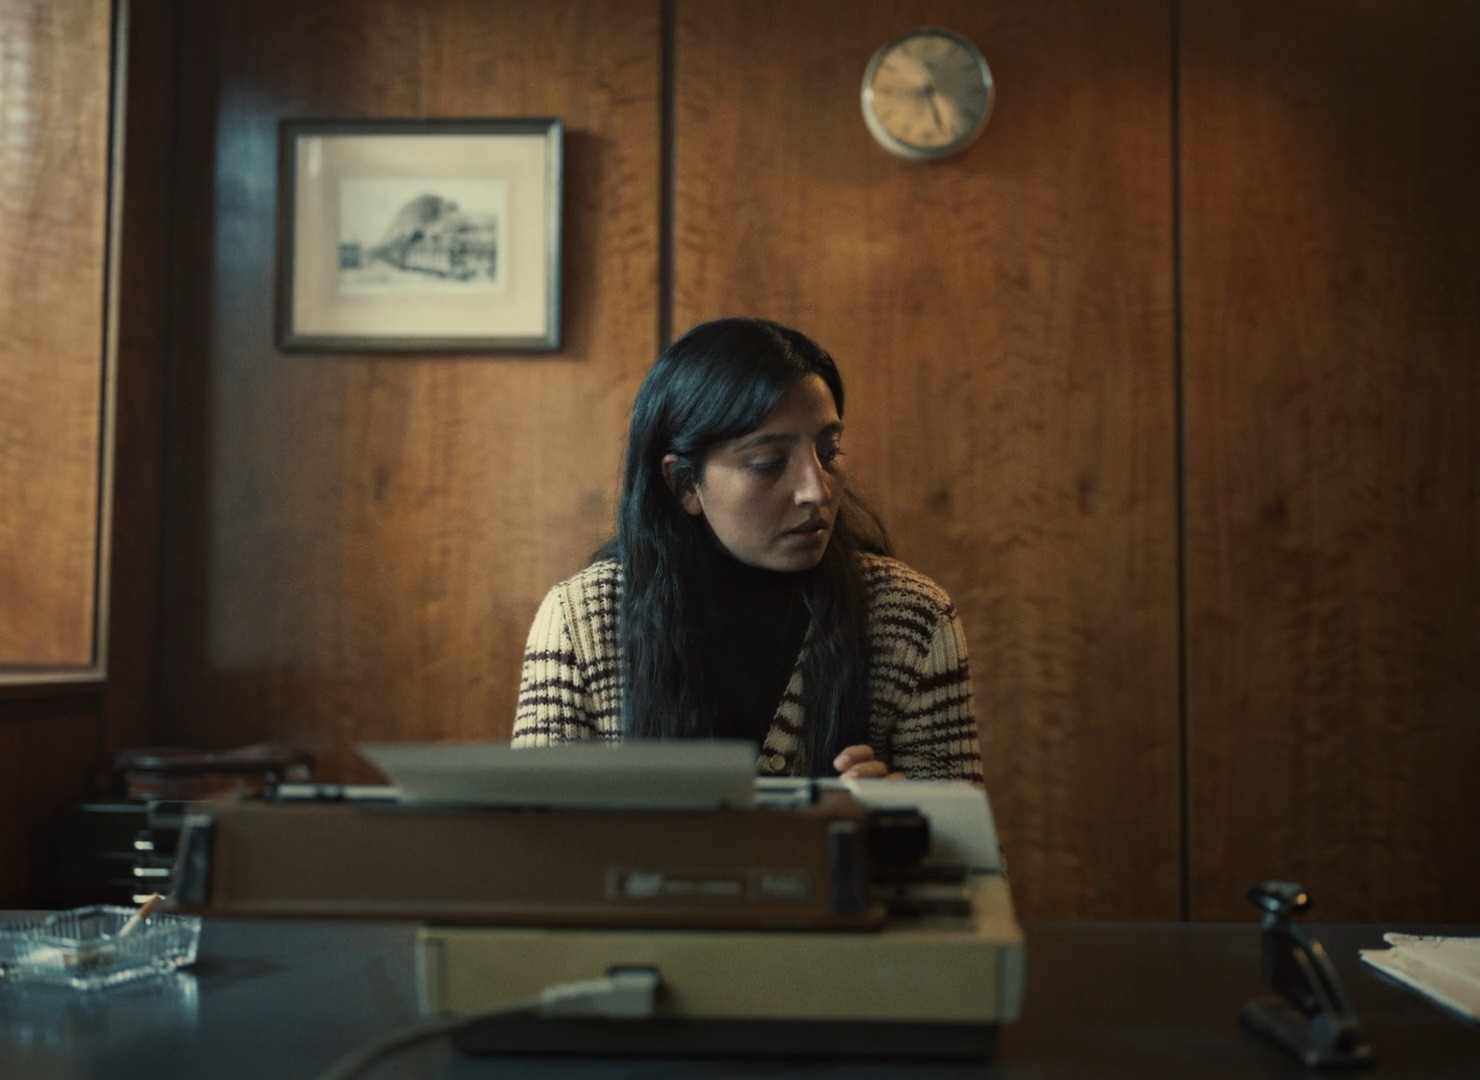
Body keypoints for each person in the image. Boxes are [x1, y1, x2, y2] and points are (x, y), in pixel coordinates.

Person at [512, 317, 982, 784]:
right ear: (684, 484)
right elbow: (527, 848)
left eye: (830, 452)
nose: (816, 491)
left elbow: (972, 856)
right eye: (769, 463)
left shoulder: (910, 619)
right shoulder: (582, 622)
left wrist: (901, 833)